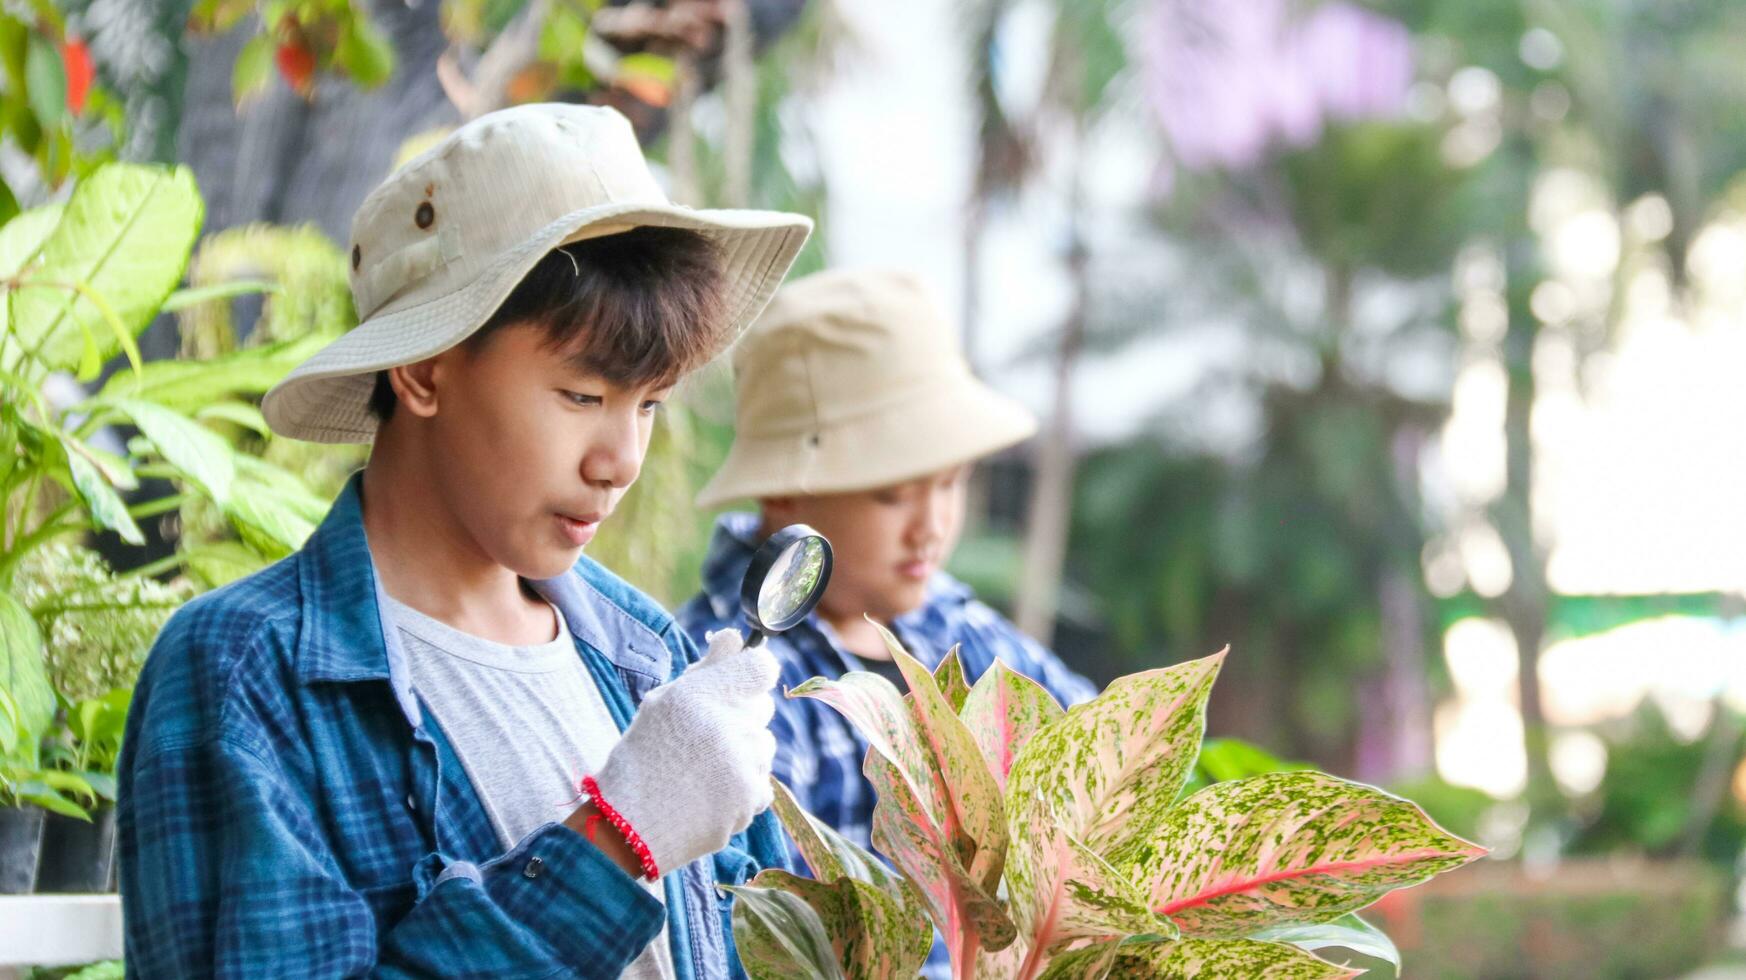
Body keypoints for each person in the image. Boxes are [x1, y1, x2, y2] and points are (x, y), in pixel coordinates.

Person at [117, 103, 810, 979]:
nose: (621, 461)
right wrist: (613, 841)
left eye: (650, 403)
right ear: (422, 366)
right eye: (582, 396)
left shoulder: (646, 656)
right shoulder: (250, 676)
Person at [676, 269, 1096, 944]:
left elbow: (1103, 750)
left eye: (952, 484)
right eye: (894, 496)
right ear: (784, 491)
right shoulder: (733, 669)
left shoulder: (956, 628)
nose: (931, 526)